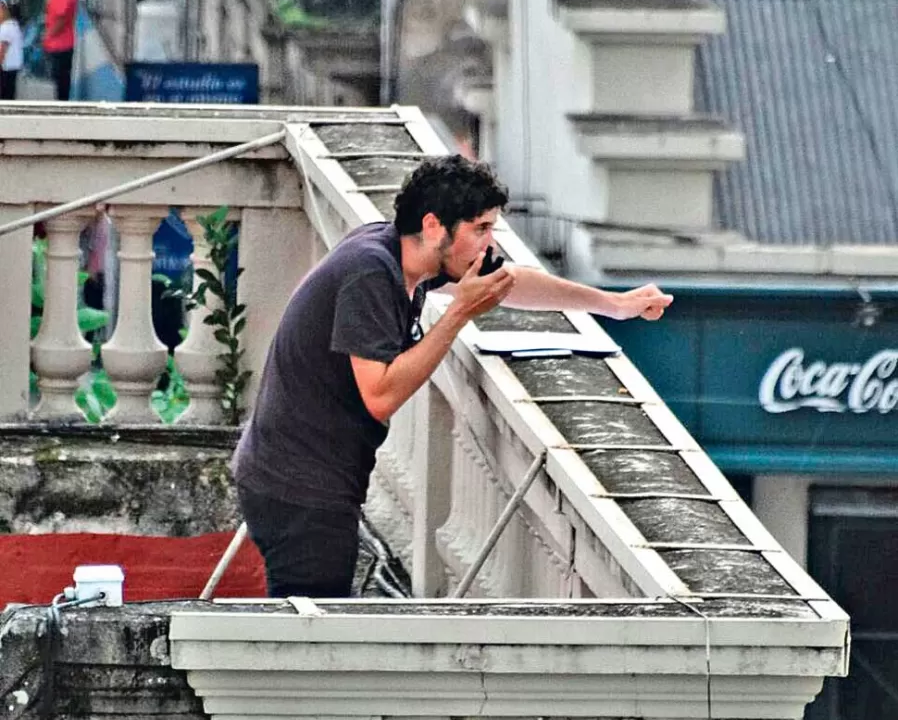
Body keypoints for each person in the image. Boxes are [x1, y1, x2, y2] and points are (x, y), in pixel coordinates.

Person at [232, 155, 673, 598]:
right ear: (433, 226)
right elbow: (380, 395)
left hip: (301, 478)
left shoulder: (404, 257)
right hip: (299, 491)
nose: (489, 244)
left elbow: (511, 282)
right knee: (310, 642)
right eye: (480, 229)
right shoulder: (370, 271)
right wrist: (460, 311)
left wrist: (612, 305)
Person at [43, 0, 78, 101]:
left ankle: (60, 102)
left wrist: (49, 34)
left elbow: (61, 18)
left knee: (59, 78)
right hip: (65, 42)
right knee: (63, 79)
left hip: (59, 43)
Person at [0, 0, 23, 100]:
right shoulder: (14, 26)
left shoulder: (6, 27)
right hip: (12, 67)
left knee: (5, 94)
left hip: (5, 67)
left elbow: (2, 49)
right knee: (9, 93)